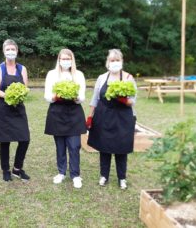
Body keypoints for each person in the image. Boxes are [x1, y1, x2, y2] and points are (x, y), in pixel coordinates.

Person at [87, 49, 137, 190]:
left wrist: (123, 99)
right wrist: (90, 116)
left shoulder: (128, 78)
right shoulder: (102, 77)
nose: (114, 63)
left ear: (121, 61)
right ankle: (104, 175)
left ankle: (122, 178)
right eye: (112, 60)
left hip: (123, 117)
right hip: (103, 116)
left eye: (117, 60)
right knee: (104, 147)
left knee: (121, 147)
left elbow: (133, 100)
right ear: (107, 62)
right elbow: (95, 99)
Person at [44, 49, 87, 188]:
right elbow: (47, 96)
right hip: (57, 112)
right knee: (60, 146)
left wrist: (76, 97)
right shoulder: (52, 74)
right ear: (59, 60)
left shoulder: (78, 75)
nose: (65, 61)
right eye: (63, 59)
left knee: (74, 146)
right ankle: (61, 172)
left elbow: (82, 97)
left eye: (68, 59)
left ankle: (75, 175)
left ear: (72, 60)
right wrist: (55, 97)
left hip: (74, 112)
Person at [0, 39, 31, 182]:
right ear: (3, 51)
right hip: (3, 109)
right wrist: (8, 96)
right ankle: (6, 170)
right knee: (5, 141)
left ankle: (17, 169)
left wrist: (18, 96)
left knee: (25, 139)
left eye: (13, 49)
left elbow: (25, 88)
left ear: (17, 50)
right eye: (7, 49)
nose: (10, 52)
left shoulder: (22, 69)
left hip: (18, 108)